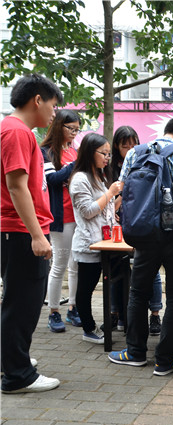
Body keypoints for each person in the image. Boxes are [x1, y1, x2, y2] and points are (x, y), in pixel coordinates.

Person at [108, 117, 173, 376]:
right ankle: (164, 361)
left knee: (138, 293)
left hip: (145, 235)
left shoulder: (136, 153)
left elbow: (123, 191)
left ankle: (135, 353)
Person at [1, 73, 62, 394]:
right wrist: (37, 234)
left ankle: (12, 360)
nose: (54, 113)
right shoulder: (17, 131)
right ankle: (18, 375)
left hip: (17, 230)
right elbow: (16, 186)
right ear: (37, 100)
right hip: (21, 231)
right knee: (23, 304)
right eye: (53, 105)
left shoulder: (13, 130)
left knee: (17, 300)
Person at [108, 126, 164, 334]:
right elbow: (109, 200)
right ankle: (116, 313)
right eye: (126, 145)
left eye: (134, 144)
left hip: (142, 223)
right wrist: (113, 207)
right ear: (116, 146)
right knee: (116, 269)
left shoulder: (147, 163)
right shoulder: (110, 170)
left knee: (152, 271)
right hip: (117, 227)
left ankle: (155, 314)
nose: (131, 149)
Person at [69, 133, 123, 344]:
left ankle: (117, 320)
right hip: (88, 243)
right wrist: (110, 193)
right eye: (104, 153)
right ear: (90, 152)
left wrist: (118, 199)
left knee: (115, 281)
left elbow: (105, 210)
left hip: (105, 242)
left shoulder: (99, 176)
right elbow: (88, 211)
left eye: (109, 154)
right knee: (86, 289)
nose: (107, 158)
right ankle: (88, 329)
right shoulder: (80, 179)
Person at [41, 109, 82, 332]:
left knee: (75, 265)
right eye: (71, 128)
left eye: (77, 129)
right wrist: (74, 165)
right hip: (60, 216)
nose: (74, 133)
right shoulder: (47, 152)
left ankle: (73, 308)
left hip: (78, 216)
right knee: (59, 264)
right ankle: (54, 312)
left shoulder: (73, 151)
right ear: (59, 126)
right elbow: (52, 179)